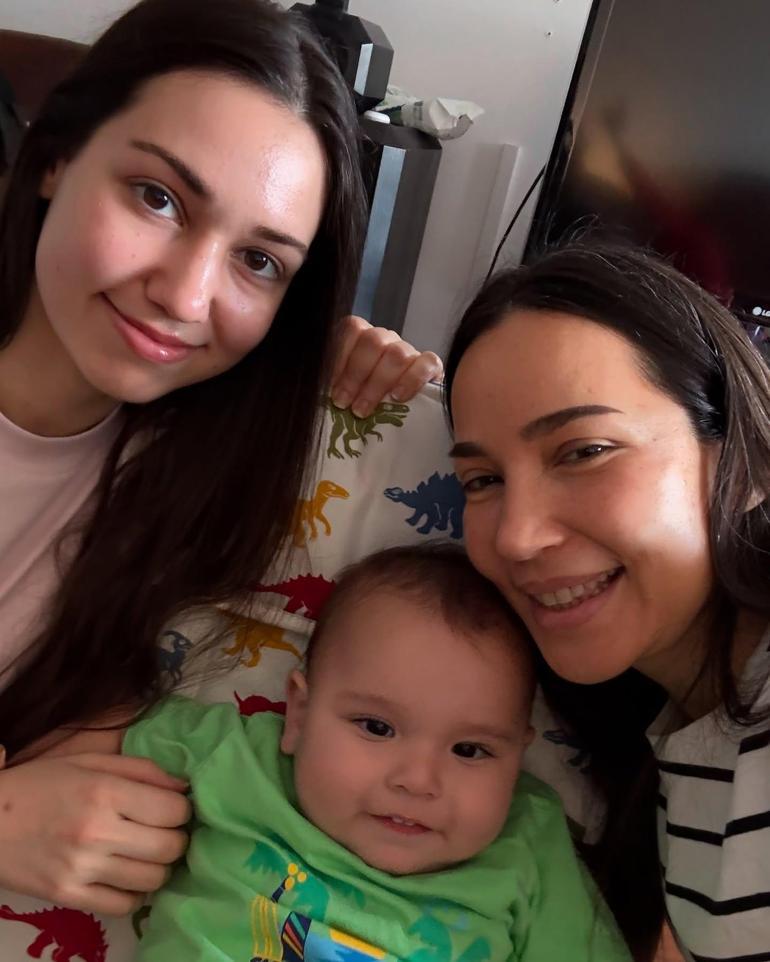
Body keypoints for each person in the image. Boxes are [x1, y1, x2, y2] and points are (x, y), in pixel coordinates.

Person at [0, 0, 442, 917]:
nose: (186, 295)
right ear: (55, 158)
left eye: (258, 262)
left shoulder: (201, 471)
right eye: (157, 197)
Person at [443, 241, 770, 962]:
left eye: (585, 451)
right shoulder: (678, 747)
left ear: (742, 459)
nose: (518, 537)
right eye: (482, 480)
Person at [109, 544, 628, 960]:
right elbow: (88, 726)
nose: (417, 780)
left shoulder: (529, 841)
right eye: (377, 728)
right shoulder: (232, 757)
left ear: (517, 759)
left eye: (470, 750)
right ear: (299, 714)